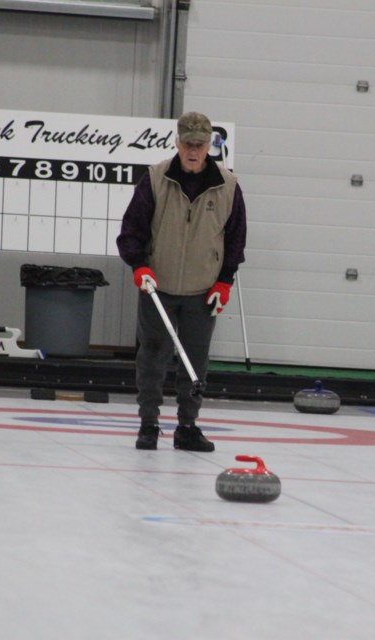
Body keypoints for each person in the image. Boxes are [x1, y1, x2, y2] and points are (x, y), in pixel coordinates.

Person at [117, 112, 247, 452]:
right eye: (188, 143)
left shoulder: (228, 186)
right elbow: (131, 231)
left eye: (200, 145)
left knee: (195, 360)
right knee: (153, 357)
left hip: (203, 293)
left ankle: (187, 426)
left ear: (209, 147)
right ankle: (149, 424)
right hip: (157, 288)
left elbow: (235, 240)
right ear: (177, 143)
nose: (193, 150)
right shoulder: (155, 179)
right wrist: (140, 266)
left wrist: (224, 282)